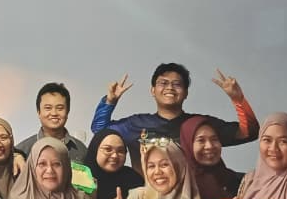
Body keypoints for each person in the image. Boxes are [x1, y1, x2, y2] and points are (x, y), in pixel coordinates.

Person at [91, 64, 257, 171]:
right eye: (163, 83)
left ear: (185, 93)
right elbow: (100, 131)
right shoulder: (135, 124)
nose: (170, 87)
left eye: (177, 84)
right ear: (152, 90)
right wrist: (110, 101)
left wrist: (238, 99)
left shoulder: (200, 125)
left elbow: (248, 133)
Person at [179, 116, 245, 199]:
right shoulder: (181, 185)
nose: (209, 146)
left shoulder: (234, 180)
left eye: (214, 139)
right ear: (188, 144)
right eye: (201, 140)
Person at [15, 82, 87, 160]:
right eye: (48, 108)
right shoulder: (22, 151)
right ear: (39, 112)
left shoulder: (81, 150)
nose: (54, 113)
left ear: (67, 112)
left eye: (60, 108)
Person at [84, 128, 142, 199]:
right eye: (108, 149)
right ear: (95, 150)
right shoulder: (81, 178)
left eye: (120, 151)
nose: (115, 156)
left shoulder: (134, 179)